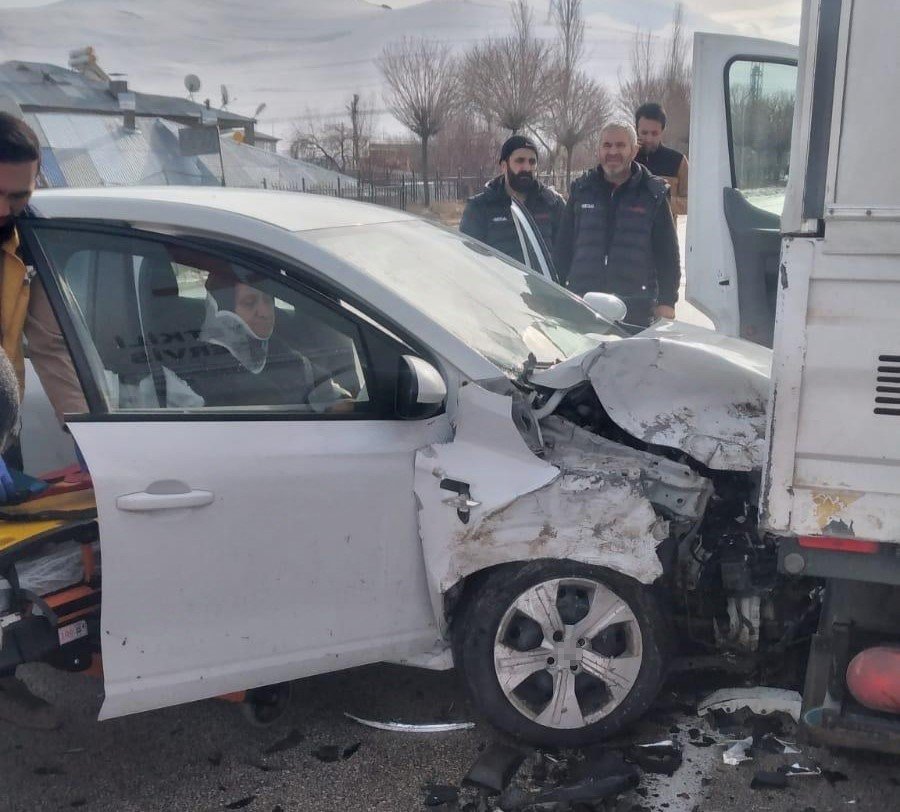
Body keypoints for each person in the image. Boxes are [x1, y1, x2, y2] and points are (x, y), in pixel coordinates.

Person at [1, 114, 85, 729]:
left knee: (7, 567)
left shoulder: (26, 242)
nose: (4, 208)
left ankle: (6, 670)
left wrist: (94, 437)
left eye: (17, 195)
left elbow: (52, 346)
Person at [553, 121, 681, 326]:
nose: (613, 152)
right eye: (607, 145)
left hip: (634, 311)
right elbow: (563, 248)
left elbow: (667, 254)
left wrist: (667, 301)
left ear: (634, 150)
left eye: (620, 145)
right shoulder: (581, 190)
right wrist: (556, 292)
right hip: (582, 306)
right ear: (598, 150)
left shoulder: (652, 194)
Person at [181, 268, 349, 410]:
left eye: (268, 300)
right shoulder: (190, 373)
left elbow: (331, 398)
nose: (264, 312)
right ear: (224, 308)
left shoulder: (287, 356)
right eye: (249, 303)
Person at [460, 135, 565, 264]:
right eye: (520, 161)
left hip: (542, 283)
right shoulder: (479, 208)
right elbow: (469, 262)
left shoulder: (552, 204)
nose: (527, 168)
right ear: (504, 166)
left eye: (532, 162)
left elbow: (565, 257)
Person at [634, 102, 689, 217]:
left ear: (662, 131)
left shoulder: (678, 161)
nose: (649, 139)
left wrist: (662, 200)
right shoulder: (625, 160)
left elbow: (692, 202)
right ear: (636, 130)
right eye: (644, 133)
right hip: (628, 232)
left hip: (664, 232)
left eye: (654, 133)